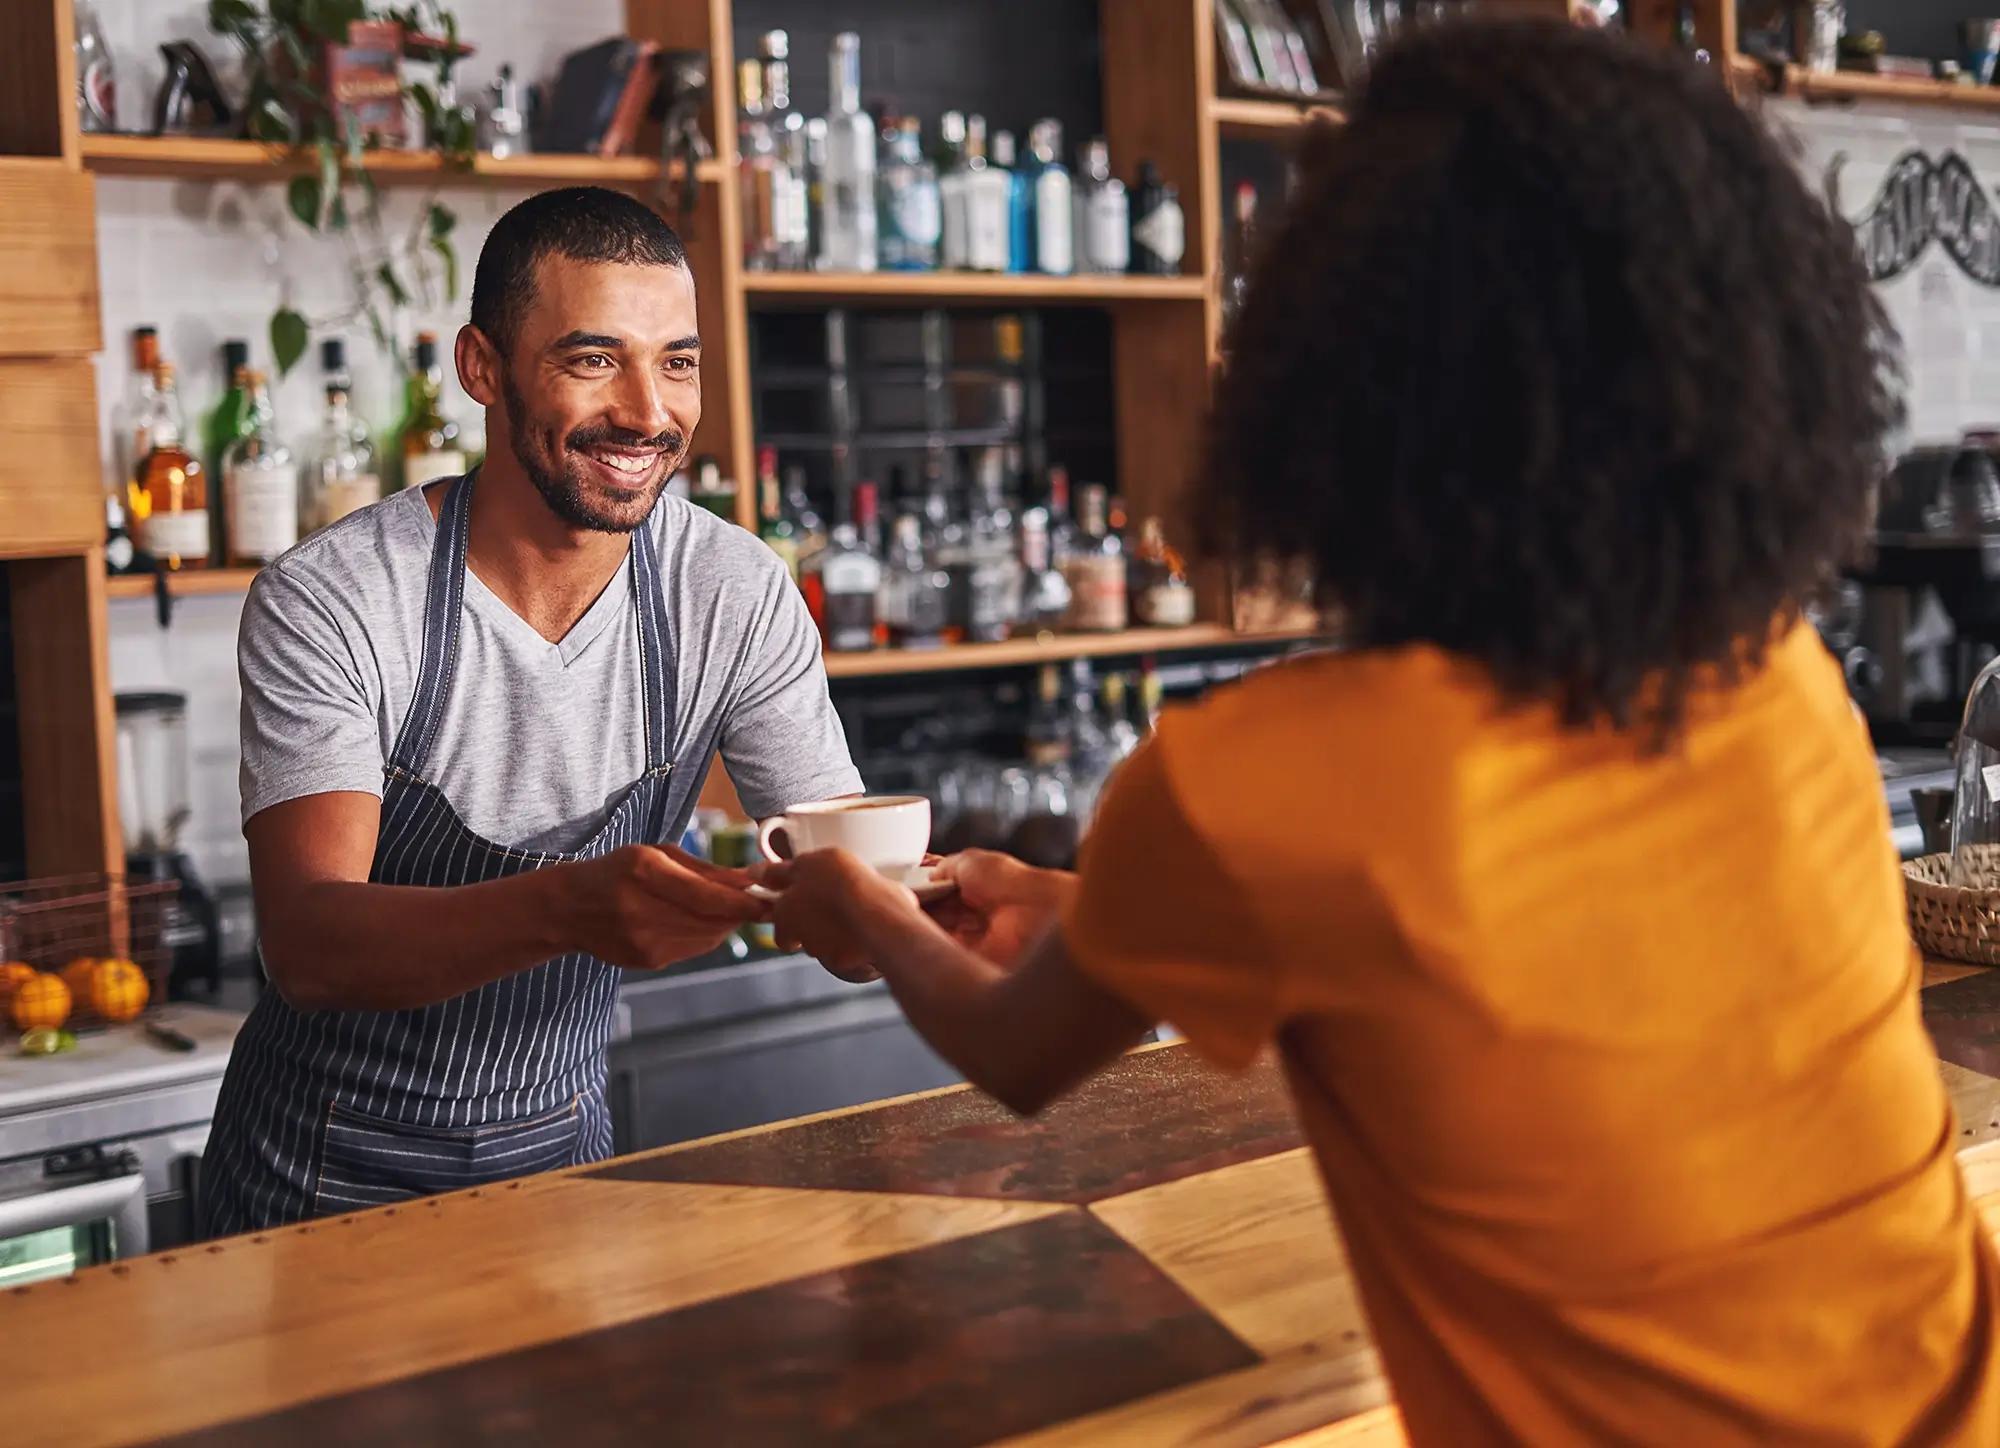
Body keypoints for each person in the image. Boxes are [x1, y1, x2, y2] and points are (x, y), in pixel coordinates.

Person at [762, 21, 2000, 1444]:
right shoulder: (1774, 676)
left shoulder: (1255, 780)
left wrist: (853, 898)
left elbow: (1011, 1044)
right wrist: (1089, 910)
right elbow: (1519, 941)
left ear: (1334, 384)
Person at [202, 187, 857, 1233]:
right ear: (481, 367)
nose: (647, 411)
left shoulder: (730, 590)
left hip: (565, 1159)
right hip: (320, 1180)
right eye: (593, 359)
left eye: (676, 361)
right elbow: (310, 944)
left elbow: (843, 886)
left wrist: (906, 908)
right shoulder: (336, 594)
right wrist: (571, 905)